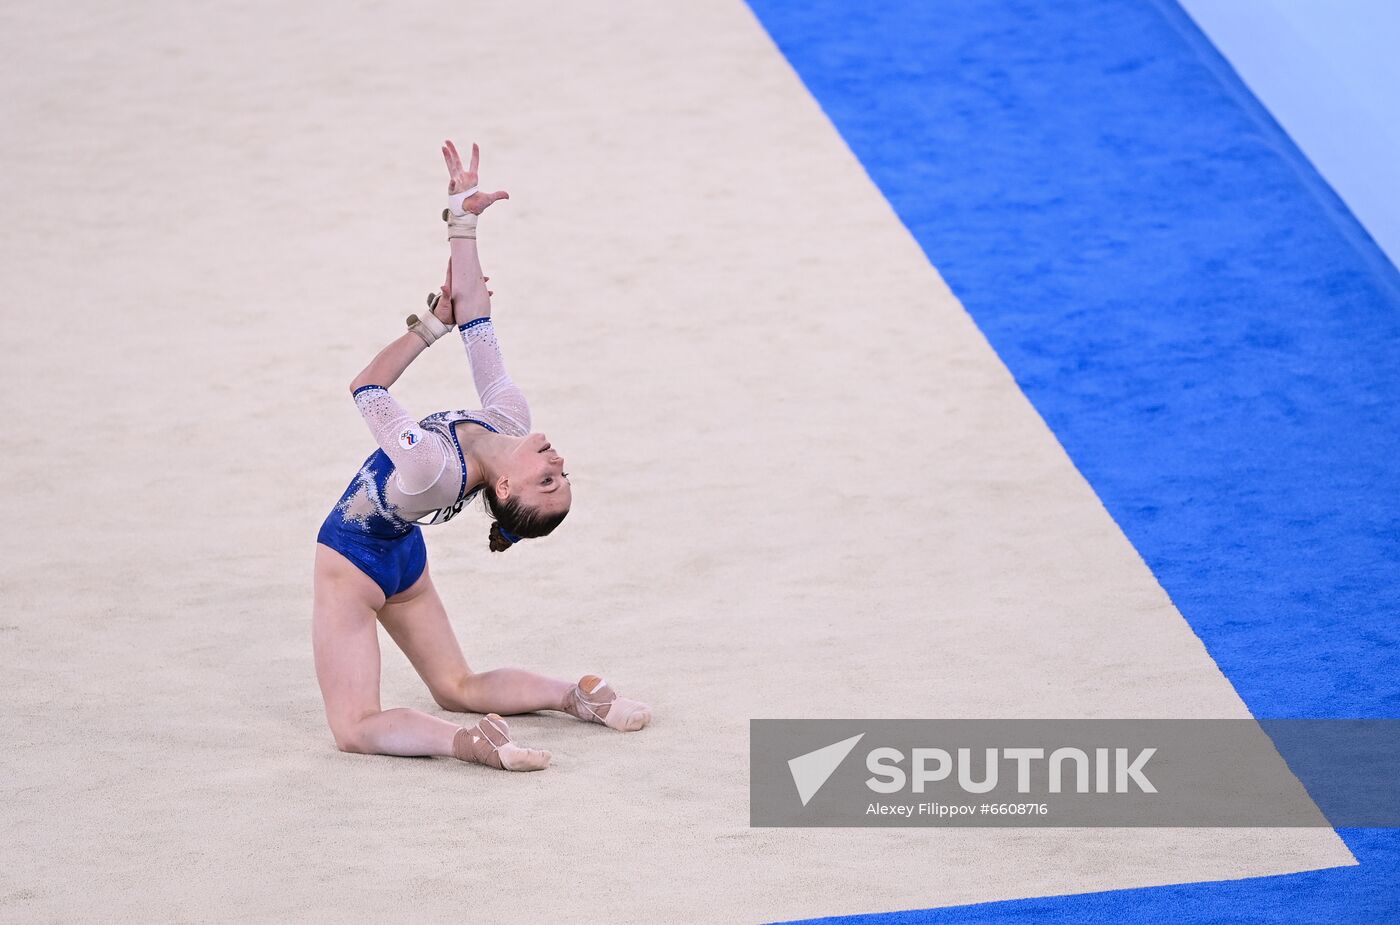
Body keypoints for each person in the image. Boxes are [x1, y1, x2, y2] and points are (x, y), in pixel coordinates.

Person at [311, 140, 649, 772]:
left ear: (506, 493)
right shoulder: (507, 416)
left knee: (353, 728)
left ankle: (464, 742)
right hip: (403, 558)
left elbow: (367, 387)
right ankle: (577, 697)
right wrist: (462, 222)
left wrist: (424, 330)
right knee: (456, 685)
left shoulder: (430, 467)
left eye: (548, 480)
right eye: (563, 474)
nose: (556, 461)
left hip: (349, 564)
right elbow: (478, 317)